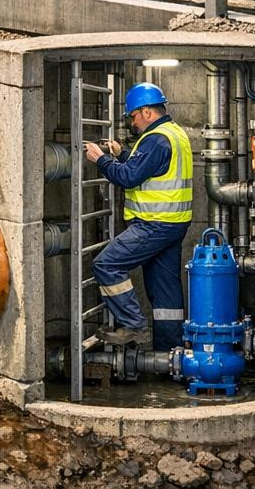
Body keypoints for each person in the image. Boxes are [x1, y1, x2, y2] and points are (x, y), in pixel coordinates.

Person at [83, 82, 193, 352]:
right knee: (165, 290)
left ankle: (133, 325)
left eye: (133, 116)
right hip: (174, 224)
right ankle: (170, 355)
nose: (132, 123)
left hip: (154, 224)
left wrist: (101, 160)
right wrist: (124, 154)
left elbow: (129, 177)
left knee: (106, 265)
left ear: (145, 111)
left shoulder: (156, 139)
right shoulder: (174, 133)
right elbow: (151, 167)